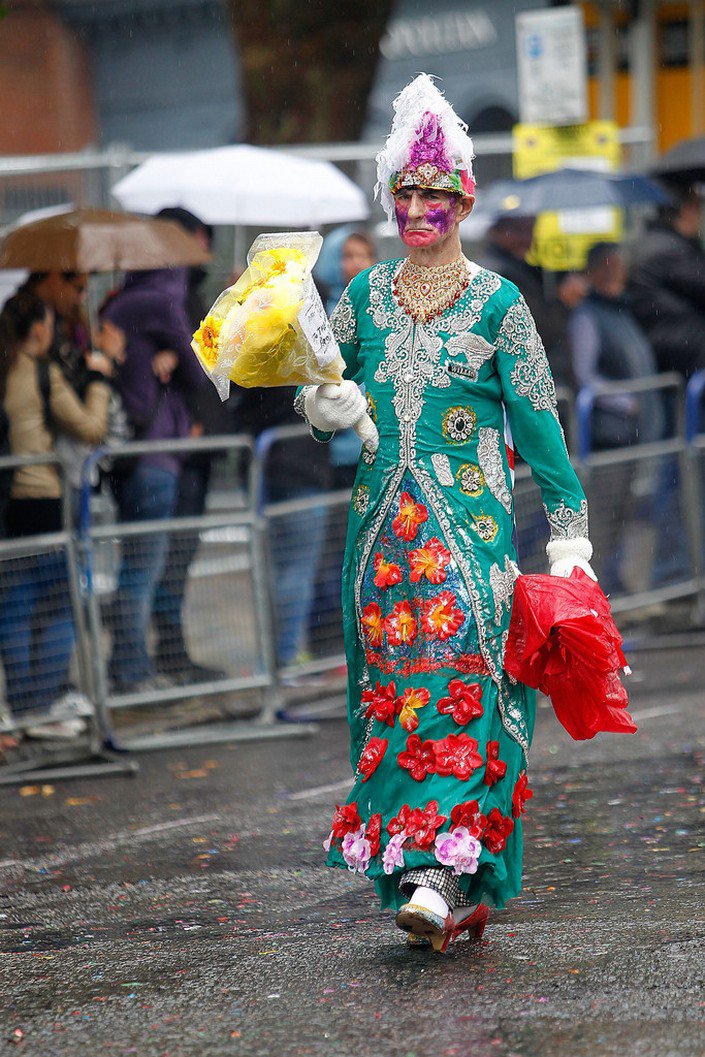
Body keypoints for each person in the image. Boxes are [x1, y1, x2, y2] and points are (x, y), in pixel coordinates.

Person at [298, 75, 595, 950]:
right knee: (391, 700)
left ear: (464, 197)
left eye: (435, 192)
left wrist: (568, 531)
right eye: (406, 191)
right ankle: (420, 869)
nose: (419, 205)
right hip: (380, 548)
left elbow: (539, 425)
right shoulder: (361, 298)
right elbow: (321, 388)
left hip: (470, 551)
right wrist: (321, 405)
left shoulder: (500, 305)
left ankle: (443, 868)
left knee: (461, 694)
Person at [0, 292, 112, 737]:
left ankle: (21, 702)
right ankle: (41, 704)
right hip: (43, 500)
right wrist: (100, 380)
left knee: (15, 606)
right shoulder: (41, 372)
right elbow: (91, 427)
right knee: (61, 605)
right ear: (40, 330)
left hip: (8, 504)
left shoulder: (3, 369)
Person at [100, 262, 206, 694]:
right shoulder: (160, 301)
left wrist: (165, 356)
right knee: (143, 569)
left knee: (134, 564)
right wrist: (180, 354)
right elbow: (199, 373)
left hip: (129, 453)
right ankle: (129, 669)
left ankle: (128, 662)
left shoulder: (118, 303)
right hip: (155, 455)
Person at [150, 207, 230, 683]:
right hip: (175, 449)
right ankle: (162, 654)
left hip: (194, 449)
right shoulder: (167, 296)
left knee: (176, 555)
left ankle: (170, 650)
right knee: (166, 555)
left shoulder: (192, 293)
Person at [569, 242, 663, 592]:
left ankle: (620, 583)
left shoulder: (621, 310)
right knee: (606, 517)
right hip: (612, 435)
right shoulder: (588, 314)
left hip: (637, 434)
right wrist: (626, 402)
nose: (614, 272)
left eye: (618, 264)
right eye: (606, 265)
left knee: (631, 512)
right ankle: (599, 588)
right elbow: (584, 374)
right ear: (591, 271)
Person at [628, 184, 705, 380]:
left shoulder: (661, 241)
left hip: (673, 341)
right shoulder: (667, 248)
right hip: (679, 345)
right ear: (687, 211)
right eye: (698, 207)